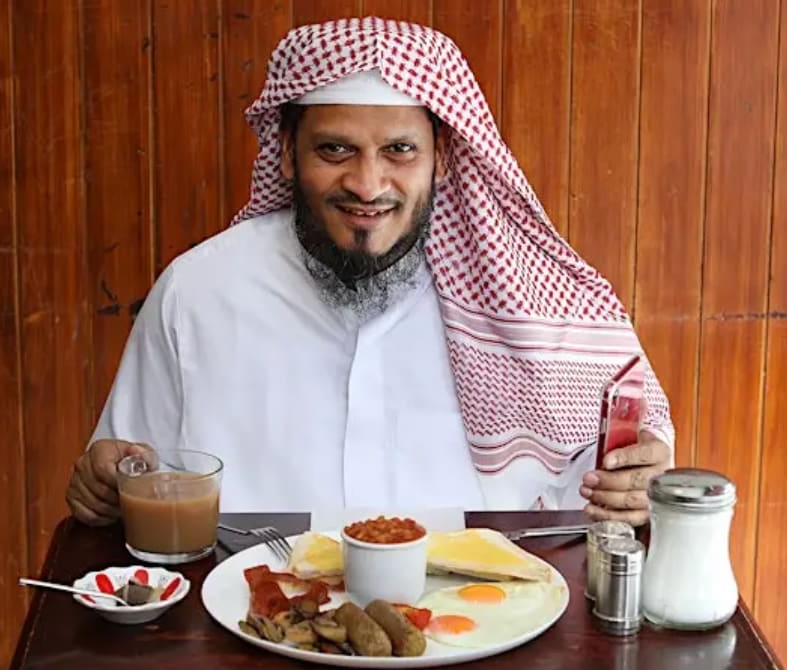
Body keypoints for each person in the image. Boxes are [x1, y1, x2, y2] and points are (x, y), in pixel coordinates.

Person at [66, 17, 674, 529]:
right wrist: (105, 483)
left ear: (442, 157)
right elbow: (129, 475)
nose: (367, 184)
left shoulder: (528, 305)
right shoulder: (198, 292)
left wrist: (639, 481)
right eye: (335, 149)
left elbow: (615, 466)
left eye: (399, 150)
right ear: (286, 153)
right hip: (249, 616)